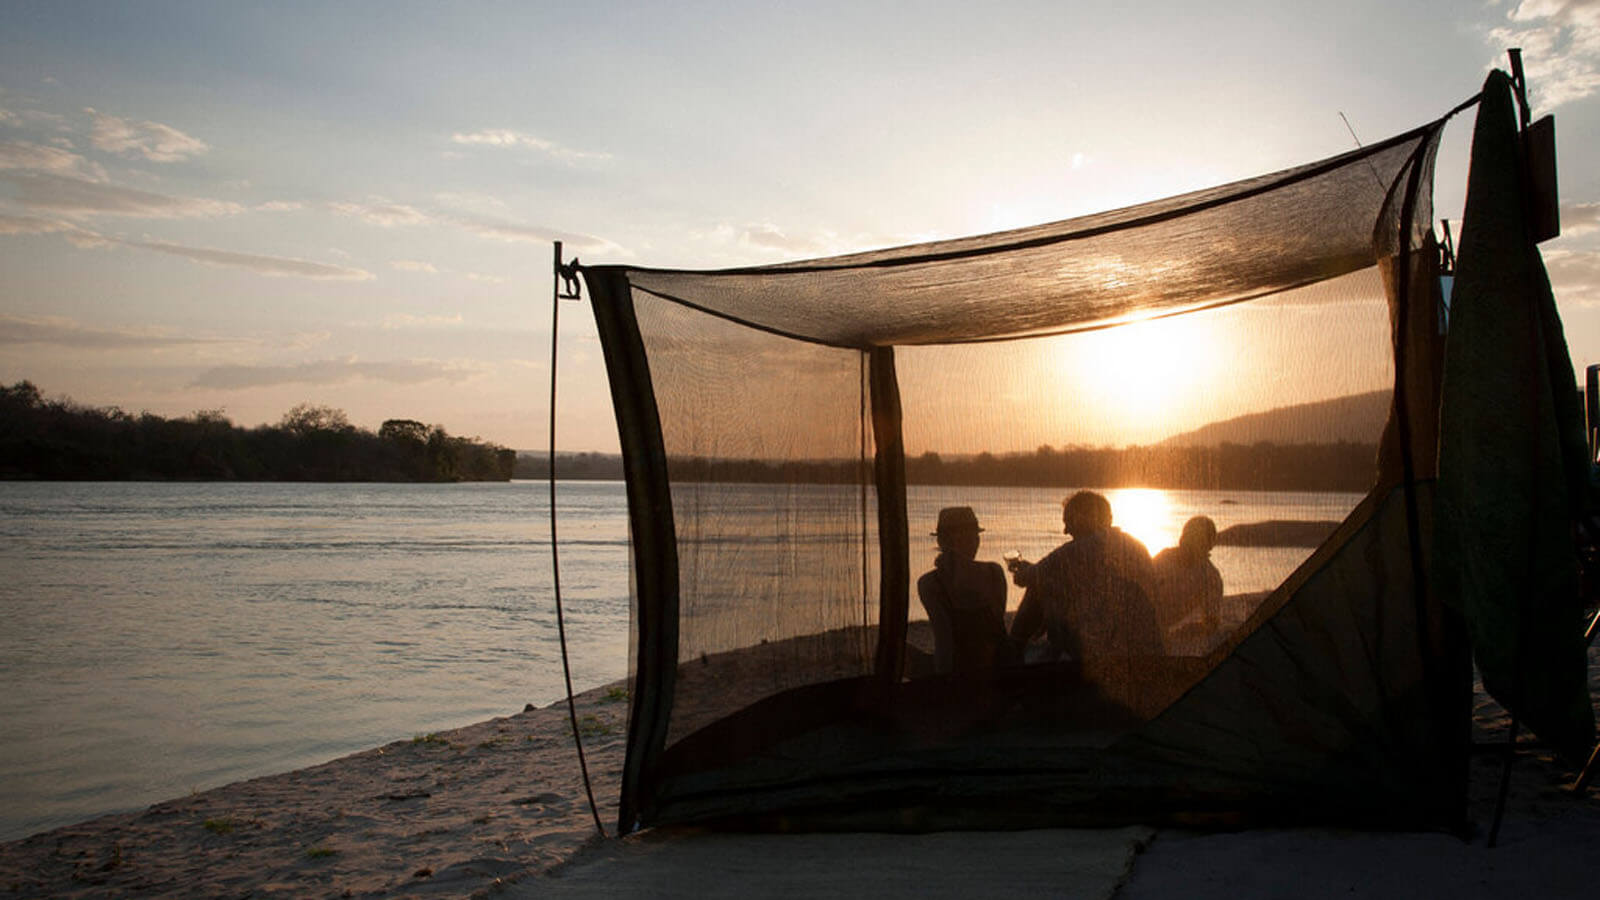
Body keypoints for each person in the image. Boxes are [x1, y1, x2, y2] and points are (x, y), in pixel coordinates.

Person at [1007, 491, 1162, 662]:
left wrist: (1023, 569)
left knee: (1039, 586)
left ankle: (1012, 653)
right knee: (1049, 581)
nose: (1065, 531)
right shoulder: (1135, 546)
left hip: (1102, 651)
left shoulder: (1080, 548)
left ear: (1085, 517)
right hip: (1144, 647)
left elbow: (1023, 579)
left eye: (1068, 522)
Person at [916, 506, 1011, 676]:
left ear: (941, 542)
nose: (976, 542)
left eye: (975, 536)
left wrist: (945, 683)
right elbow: (996, 626)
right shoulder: (994, 572)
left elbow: (945, 641)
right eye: (973, 536)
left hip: (961, 670)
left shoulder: (930, 583)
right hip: (999, 665)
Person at [1150, 516, 1224, 643]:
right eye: (1186, 536)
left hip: (1156, 630)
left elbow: (1212, 622)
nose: (1185, 542)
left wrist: (1193, 629)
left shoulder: (1210, 577)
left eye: (1195, 539)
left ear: (1208, 545)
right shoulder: (1164, 557)